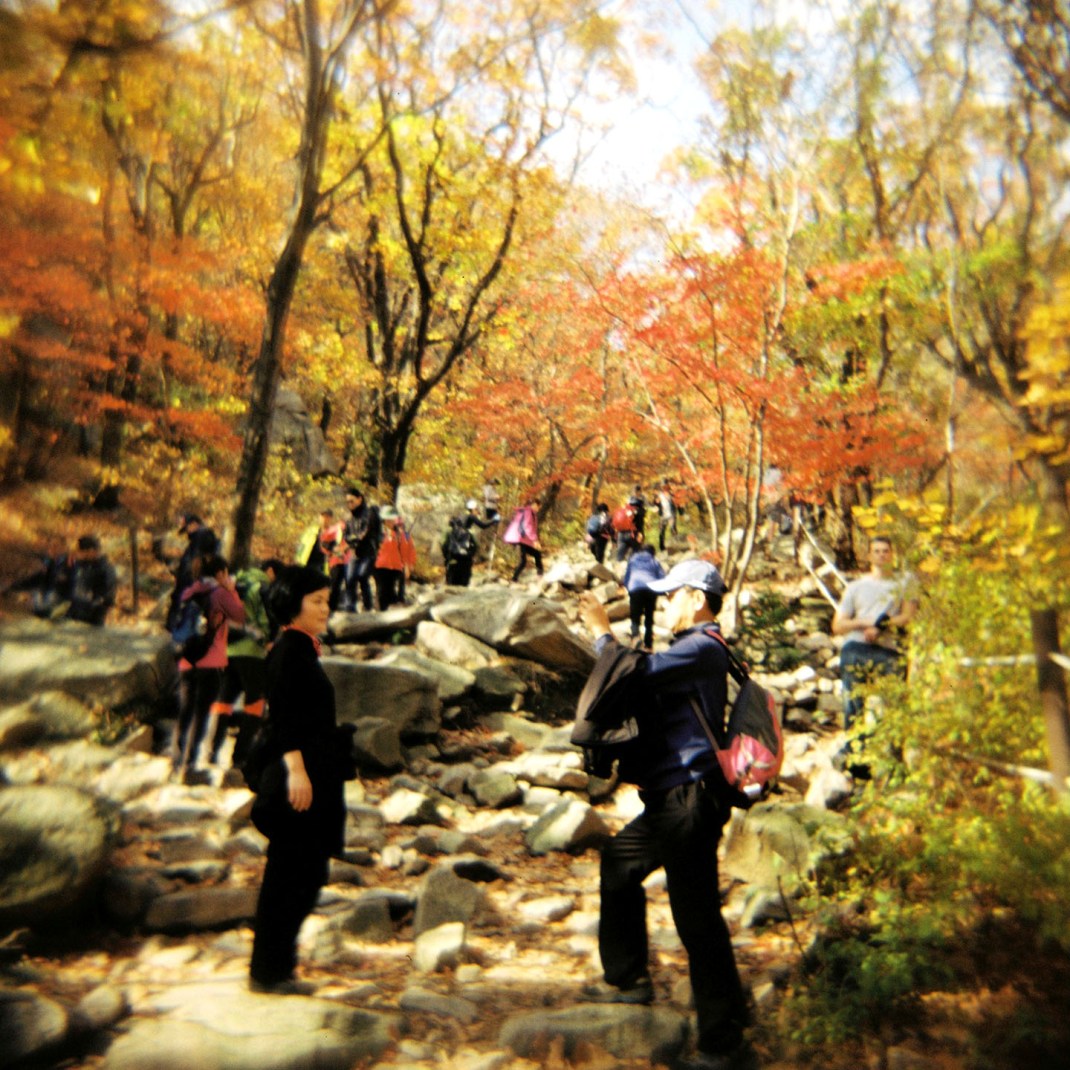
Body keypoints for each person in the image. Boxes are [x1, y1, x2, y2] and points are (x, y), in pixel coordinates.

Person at [576, 559, 756, 1070]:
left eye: (670, 594)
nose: (663, 604)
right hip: (675, 799)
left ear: (696, 598)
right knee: (619, 864)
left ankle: (724, 1045)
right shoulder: (693, 648)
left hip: (690, 798)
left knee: (696, 917)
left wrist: (600, 633)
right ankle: (629, 980)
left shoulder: (701, 647)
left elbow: (636, 674)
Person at [249, 566, 351, 995]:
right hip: (299, 780)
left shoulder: (302, 648)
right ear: (292, 606)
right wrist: (297, 771)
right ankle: (270, 972)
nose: (326, 608)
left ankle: (278, 967)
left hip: (311, 776)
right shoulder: (290, 650)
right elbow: (284, 716)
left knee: (303, 873)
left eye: (327, 600)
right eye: (316, 601)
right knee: (292, 874)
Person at [170, 554, 245, 783]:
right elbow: (240, 617)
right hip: (211, 661)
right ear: (220, 572)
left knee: (185, 710)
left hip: (186, 658)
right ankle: (190, 764)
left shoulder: (189, 591)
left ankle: (175, 760)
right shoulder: (221, 593)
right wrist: (231, 590)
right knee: (202, 714)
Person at [831, 535, 918, 731]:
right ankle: (854, 752)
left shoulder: (905, 581)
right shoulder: (855, 587)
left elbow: (907, 616)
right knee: (853, 701)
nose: (881, 556)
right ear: (869, 556)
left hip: (889, 649)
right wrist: (864, 623)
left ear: (892, 555)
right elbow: (837, 626)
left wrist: (881, 626)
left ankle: (890, 751)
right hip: (856, 646)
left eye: (885, 551)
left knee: (894, 701)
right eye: (877, 551)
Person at [206, 558, 281, 771]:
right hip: (252, 652)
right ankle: (240, 756)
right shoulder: (260, 587)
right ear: (270, 572)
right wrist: (270, 640)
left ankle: (211, 751)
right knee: (255, 703)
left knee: (224, 700)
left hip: (228, 651)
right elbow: (269, 617)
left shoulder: (232, 583)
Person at [166, 512, 219, 633]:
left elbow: (196, 560)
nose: (187, 533)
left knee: (186, 604)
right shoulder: (199, 538)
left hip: (191, 580)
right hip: (190, 578)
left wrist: (190, 577)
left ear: (194, 524)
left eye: (187, 529)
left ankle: (177, 630)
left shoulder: (202, 536)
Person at [622, 540, 665, 651]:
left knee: (635, 615)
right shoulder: (654, 561)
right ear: (652, 552)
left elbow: (627, 575)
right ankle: (648, 644)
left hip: (635, 587)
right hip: (651, 589)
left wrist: (628, 587)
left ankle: (635, 638)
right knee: (649, 616)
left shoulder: (633, 559)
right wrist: (662, 591)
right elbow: (662, 577)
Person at [342, 488, 380, 612]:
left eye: (351, 501)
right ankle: (350, 607)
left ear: (360, 499)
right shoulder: (349, 517)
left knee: (363, 576)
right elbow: (346, 535)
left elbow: (366, 532)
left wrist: (354, 540)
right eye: (347, 502)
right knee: (350, 578)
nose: (349, 505)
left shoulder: (370, 513)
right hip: (355, 552)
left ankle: (368, 606)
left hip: (369, 551)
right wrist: (352, 541)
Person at [374, 506, 416, 610]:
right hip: (380, 567)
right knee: (381, 591)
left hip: (395, 567)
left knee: (391, 592)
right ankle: (381, 614)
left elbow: (406, 550)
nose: (390, 522)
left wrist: (408, 566)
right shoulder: (377, 533)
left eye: (392, 519)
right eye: (388, 519)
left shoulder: (400, 534)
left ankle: (391, 612)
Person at [312, 510, 347, 611]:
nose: (324, 519)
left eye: (327, 517)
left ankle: (331, 609)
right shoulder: (313, 531)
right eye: (323, 516)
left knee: (332, 587)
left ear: (331, 518)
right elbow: (303, 546)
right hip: (313, 564)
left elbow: (338, 546)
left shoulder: (336, 530)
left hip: (330, 563)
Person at [503, 498, 543, 582]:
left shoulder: (530, 512)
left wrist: (534, 540)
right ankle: (514, 579)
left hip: (523, 539)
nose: (539, 509)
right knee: (524, 560)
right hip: (519, 539)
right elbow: (527, 527)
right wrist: (535, 540)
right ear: (535, 504)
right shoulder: (528, 512)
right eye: (539, 507)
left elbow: (531, 528)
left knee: (537, 554)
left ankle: (540, 575)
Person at [442, 515, 479, 587]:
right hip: (466, 561)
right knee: (464, 586)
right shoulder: (469, 534)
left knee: (451, 586)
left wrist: (447, 558)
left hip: (453, 560)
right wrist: (471, 555)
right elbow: (476, 546)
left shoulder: (449, 534)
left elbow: (444, 547)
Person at [656, 481, 678, 552]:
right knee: (662, 531)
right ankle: (662, 547)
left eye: (665, 486)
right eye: (663, 487)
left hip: (671, 515)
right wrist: (657, 506)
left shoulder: (672, 494)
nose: (664, 488)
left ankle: (675, 545)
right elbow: (656, 503)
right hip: (663, 515)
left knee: (673, 529)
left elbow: (677, 503)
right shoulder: (660, 495)